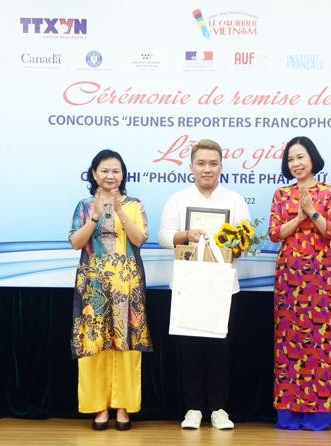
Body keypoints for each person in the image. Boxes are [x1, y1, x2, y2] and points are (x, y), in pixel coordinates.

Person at [158, 138, 250, 430]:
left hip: (224, 286)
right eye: (201, 163)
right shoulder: (178, 199)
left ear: (221, 167)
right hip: (188, 284)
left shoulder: (234, 200)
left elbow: (244, 241)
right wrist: (185, 234)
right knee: (190, 349)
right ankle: (194, 408)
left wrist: (233, 245)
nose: (207, 169)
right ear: (191, 167)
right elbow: (162, 237)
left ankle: (220, 409)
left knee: (221, 350)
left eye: (213, 163)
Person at [68, 149, 152, 431]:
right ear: (94, 174)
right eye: (104, 170)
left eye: (116, 170)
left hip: (127, 285)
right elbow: (76, 243)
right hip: (93, 285)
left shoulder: (135, 204)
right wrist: (95, 215)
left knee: (126, 345)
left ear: (123, 174)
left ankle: (124, 407)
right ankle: (99, 408)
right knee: (95, 344)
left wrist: (118, 210)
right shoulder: (83, 205)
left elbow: (139, 240)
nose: (110, 175)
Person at [267, 136, 331, 431]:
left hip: (320, 275)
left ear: (312, 158)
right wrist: (299, 216)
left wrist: (312, 210)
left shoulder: (330, 193)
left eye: (300, 157)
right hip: (289, 273)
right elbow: (275, 233)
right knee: (288, 341)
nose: (296, 164)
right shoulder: (281, 193)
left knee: (320, 342)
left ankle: (318, 414)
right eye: (290, 159)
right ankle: (288, 413)